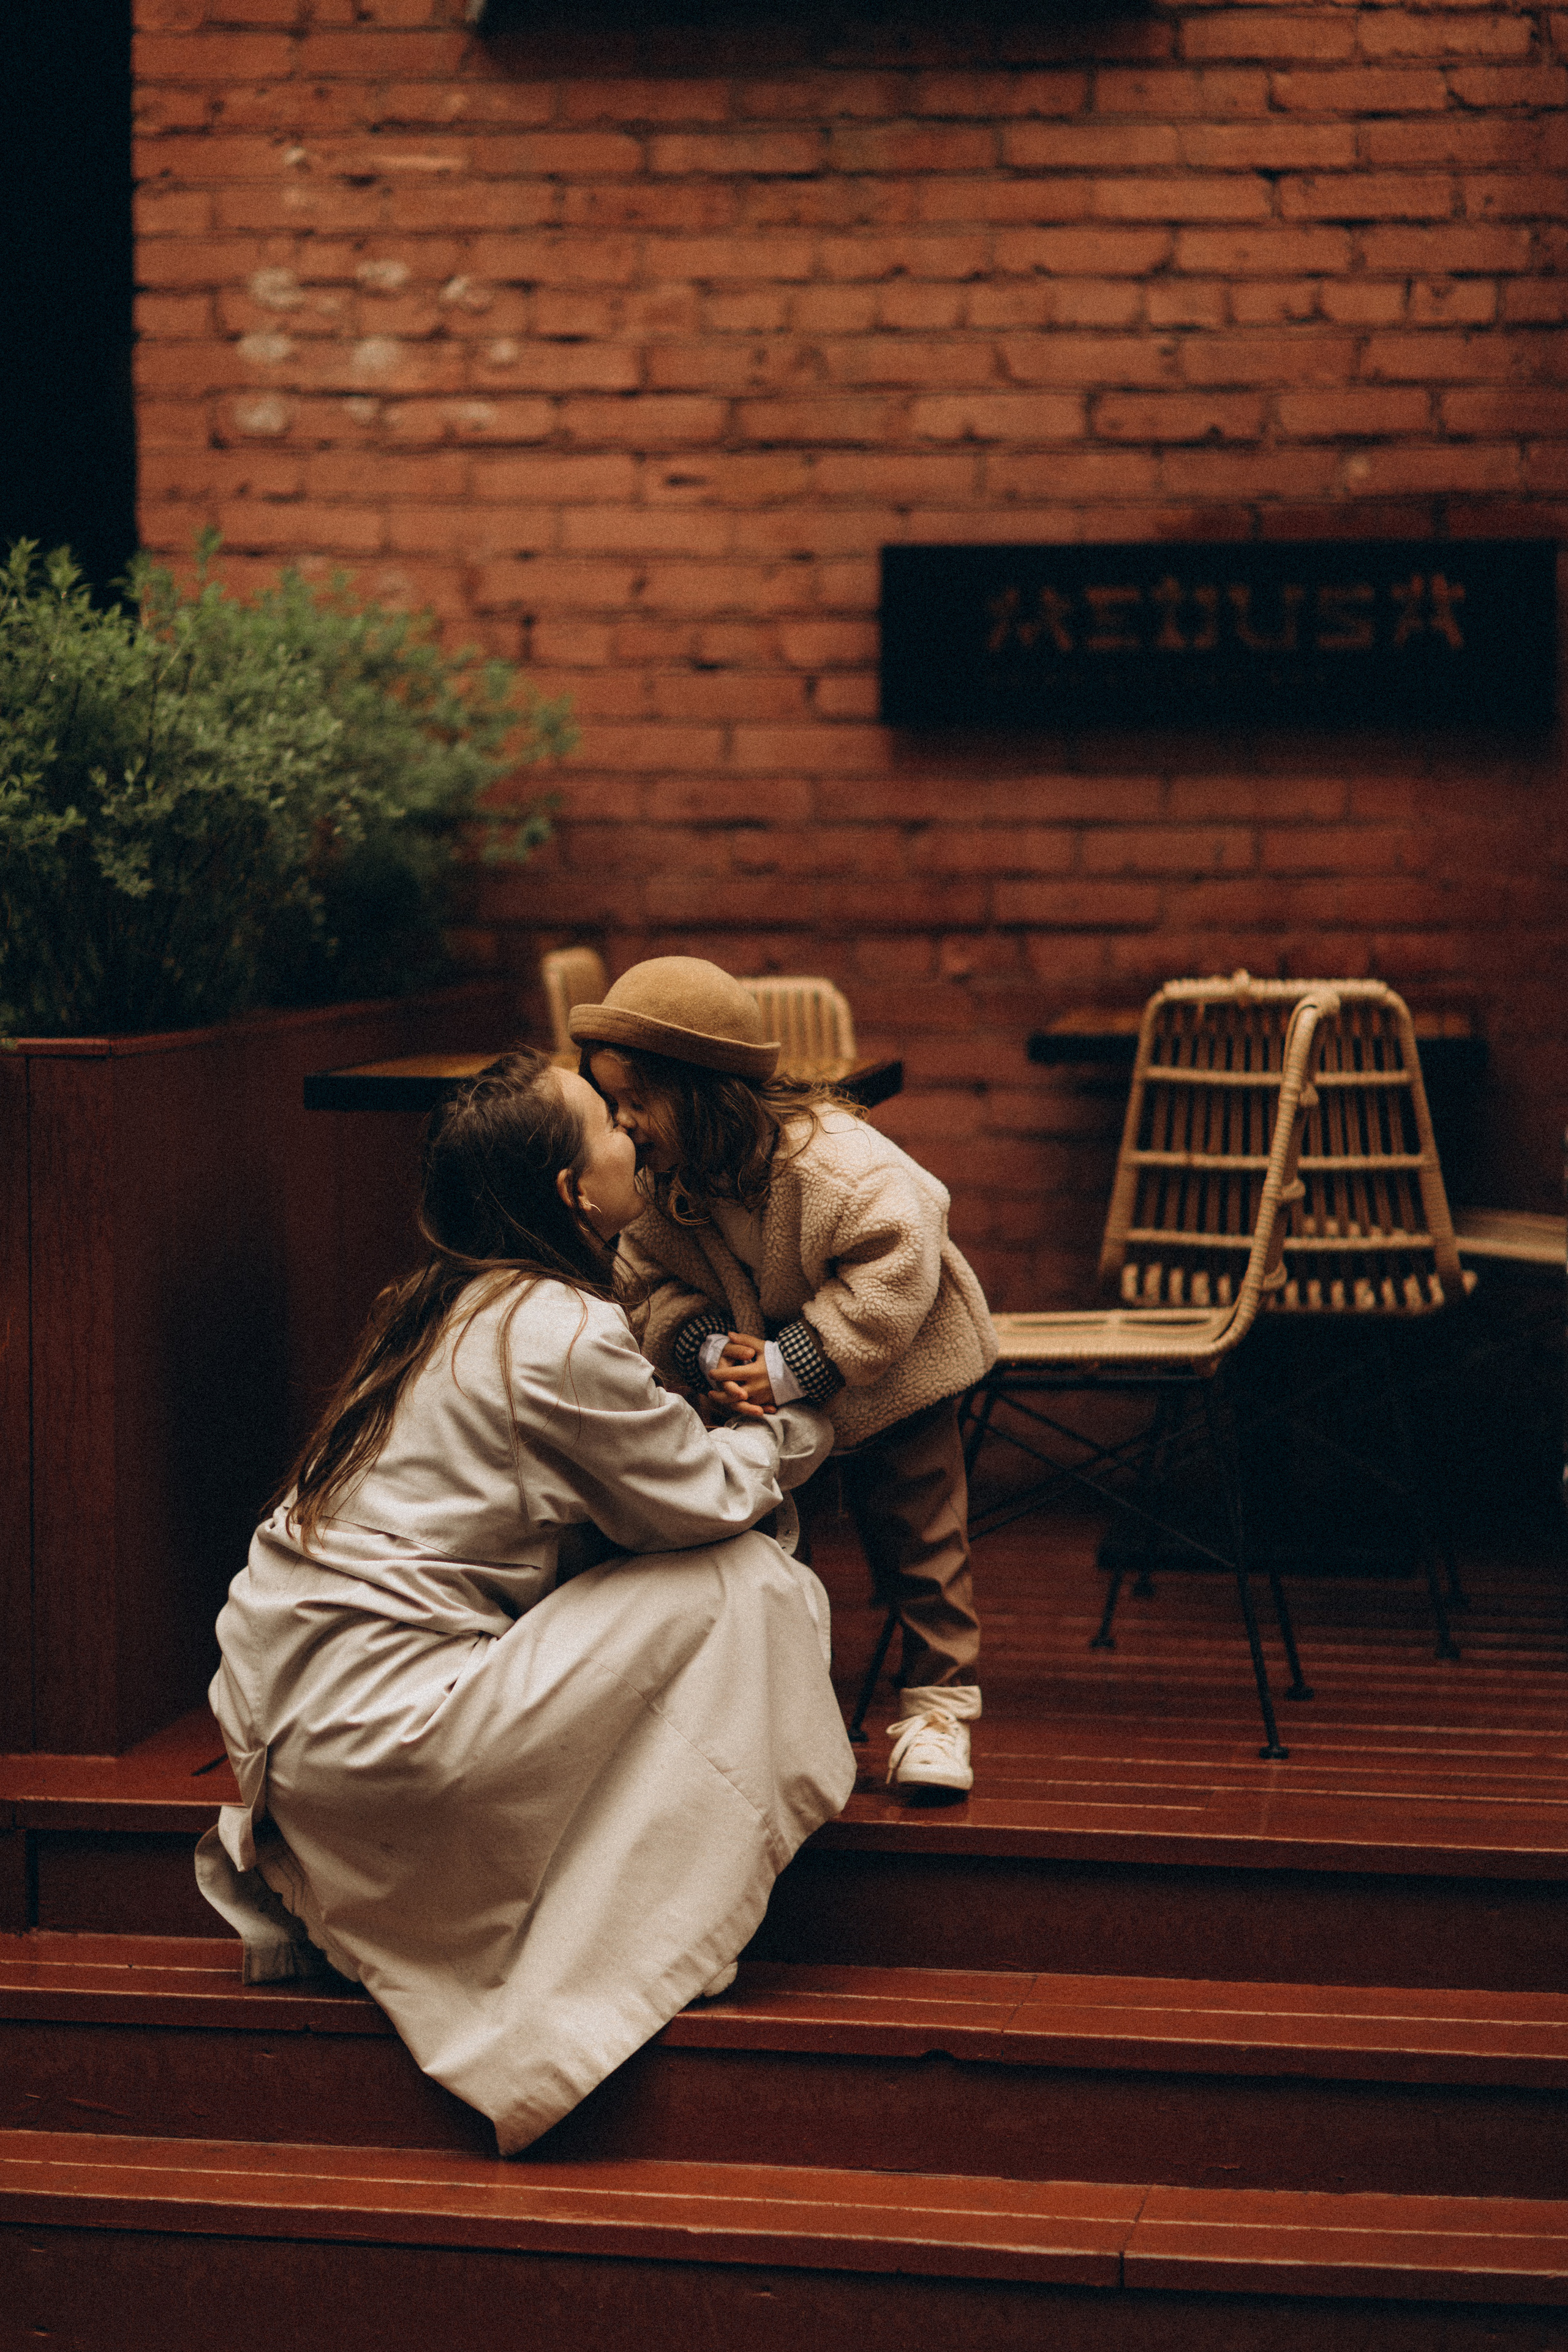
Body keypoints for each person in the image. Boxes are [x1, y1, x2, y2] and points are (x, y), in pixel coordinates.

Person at [195, 1048, 856, 2158]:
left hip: (289, 1731)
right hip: (388, 1738)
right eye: (606, 1118)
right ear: (573, 1194)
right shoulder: (558, 1330)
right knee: (748, 1586)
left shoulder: (434, 1303)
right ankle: (657, 1938)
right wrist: (803, 1423)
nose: (630, 1128)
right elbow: (703, 1500)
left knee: (665, 1582)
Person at [568, 958, 997, 1799]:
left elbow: (900, 1259)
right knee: (760, 1531)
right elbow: (647, 1281)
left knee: (922, 1535)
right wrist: (700, 1348)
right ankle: (771, 1701)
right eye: (610, 1105)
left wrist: (792, 1364)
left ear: (702, 1094)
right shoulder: (662, 1186)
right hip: (758, 1386)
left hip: (894, 1375)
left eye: (635, 1103)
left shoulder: (833, 1164)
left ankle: (939, 1708)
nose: (623, 1126)